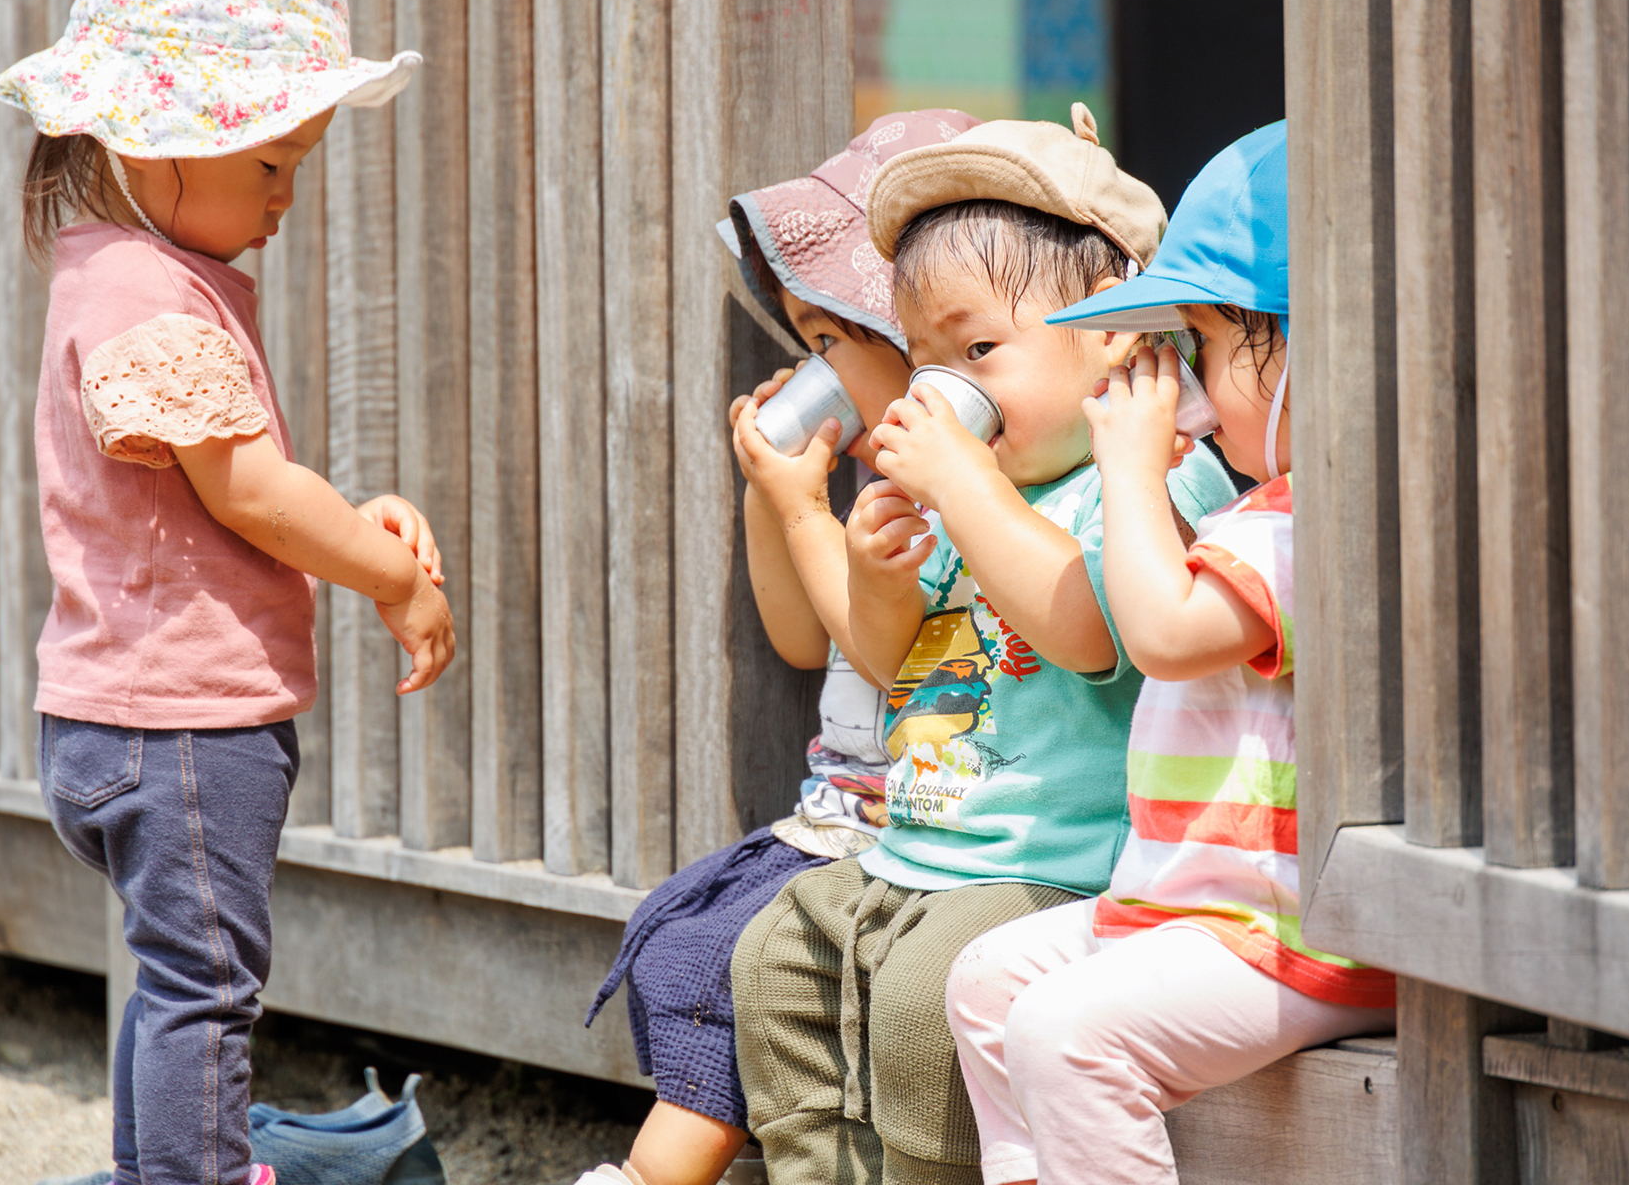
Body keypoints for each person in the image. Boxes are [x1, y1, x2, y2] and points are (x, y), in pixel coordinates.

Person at [0, 0, 454, 1185]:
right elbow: (247, 489)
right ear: (155, 144)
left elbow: (217, 491)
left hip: (110, 717)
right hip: (184, 725)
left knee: (175, 977)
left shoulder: (116, 273)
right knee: (207, 990)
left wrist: (354, 515)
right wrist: (387, 570)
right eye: (269, 162)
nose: (285, 196)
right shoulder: (148, 296)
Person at [729, 106, 1239, 1185]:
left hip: (1057, 873)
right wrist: (874, 572)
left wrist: (960, 485)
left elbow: (1092, 631)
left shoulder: (1142, 477)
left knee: (923, 1005)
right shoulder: (973, 488)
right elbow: (888, 658)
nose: (938, 384)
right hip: (924, 847)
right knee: (773, 961)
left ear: (1115, 338)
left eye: (979, 350)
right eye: (921, 358)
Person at [942, 121, 1397, 1185]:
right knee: (985, 980)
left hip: (1294, 936)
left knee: (1066, 1031)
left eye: (1197, 343)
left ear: (1299, 342)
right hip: (1198, 915)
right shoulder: (1266, 512)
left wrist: (1132, 471)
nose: (1181, 377)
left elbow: (1162, 635)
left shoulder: (1311, 524)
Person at [577, 110, 982, 1185]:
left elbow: (902, 662)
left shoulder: (968, 501)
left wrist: (809, 516)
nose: (814, 364)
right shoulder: (870, 488)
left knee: (716, 962)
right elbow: (800, 639)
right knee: (686, 940)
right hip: (836, 813)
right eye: (806, 339)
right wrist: (779, 501)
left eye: (829, 339)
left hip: (918, 836)